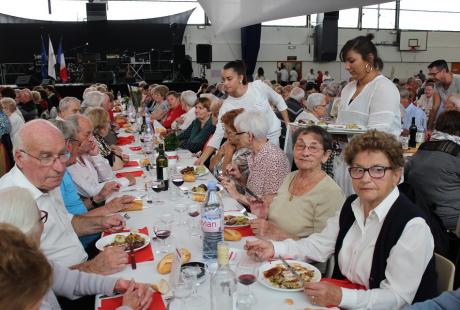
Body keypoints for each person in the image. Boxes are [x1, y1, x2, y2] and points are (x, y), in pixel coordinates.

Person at [245, 130, 437, 309]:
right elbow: (320, 245)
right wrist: (275, 248)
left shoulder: (412, 226)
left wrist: (341, 297)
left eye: (378, 170)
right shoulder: (352, 205)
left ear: (396, 175)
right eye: (358, 169)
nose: (366, 179)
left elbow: (397, 298)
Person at [0, 120, 130, 274]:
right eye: (46, 157)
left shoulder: (45, 180)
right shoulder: (7, 201)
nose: (60, 167)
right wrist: (91, 269)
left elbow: (65, 223)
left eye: (62, 154)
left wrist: (102, 222)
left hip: (82, 265)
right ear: (20, 158)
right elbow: (23, 281)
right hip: (63, 290)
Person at [0, 188, 152, 310]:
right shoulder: (18, 295)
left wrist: (115, 285)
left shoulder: (28, 259)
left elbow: (71, 280)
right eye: (40, 218)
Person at [249, 126, 344, 240]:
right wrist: (264, 215)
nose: (305, 153)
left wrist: (281, 235)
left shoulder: (331, 192)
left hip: (296, 257)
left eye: (313, 148)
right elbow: (281, 219)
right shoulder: (291, 176)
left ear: (325, 155)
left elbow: (324, 247)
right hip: (270, 247)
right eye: (300, 146)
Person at [196, 60, 289, 165]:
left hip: (272, 136)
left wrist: (288, 124)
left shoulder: (258, 87)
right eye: (223, 80)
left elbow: (278, 100)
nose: (225, 83)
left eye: (229, 79)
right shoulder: (227, 105)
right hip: (250, 143)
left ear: (240, 78)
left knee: (270, 168)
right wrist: (202, 159)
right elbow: (218, 134)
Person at [336, 34, 401, 137]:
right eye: (345, 62)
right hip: (347, 151)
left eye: (351, 61)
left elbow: (378, 134)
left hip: (376, 151)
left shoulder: (384, 88)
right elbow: (339, 125)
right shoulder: (348, 89)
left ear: (369, 59)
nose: (347, 67)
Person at [405, 111, 460, 230]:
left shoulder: (423, 148)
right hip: (450, 220)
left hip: (419, 216)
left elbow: (406, 175)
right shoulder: (457, 153)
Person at [221, 110, 290, 205]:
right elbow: (256, 193)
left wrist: (237, 195)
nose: (236, 137)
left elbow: (271, 205)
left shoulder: (274, 159)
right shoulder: (255, 153)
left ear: (249, 136)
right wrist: (240, 178)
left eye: (237, 133)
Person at [66, 114, 134, 200]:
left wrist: (96, 156)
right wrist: (125, 181)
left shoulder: (85, 153)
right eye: (87, 135)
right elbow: (90, 192)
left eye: (92, 134)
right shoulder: (69, 161)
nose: (92, 139)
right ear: (73, 136)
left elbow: (108, 176)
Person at [209, 108, 250, 179]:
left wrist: (228, 153)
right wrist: (220, 153)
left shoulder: (247, 153)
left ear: (240, 131)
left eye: (228, 132)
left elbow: (223, 177)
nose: (225, 135)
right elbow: (211, 168)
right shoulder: (230, 142)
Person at [426, 59, 460, 131]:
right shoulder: (437, 84)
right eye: (430, 74)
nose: (432, 77)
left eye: (434, 74)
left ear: (444, 71)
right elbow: (435, 107)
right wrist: (429, 128)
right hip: (449, 121)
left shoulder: (458, 81)